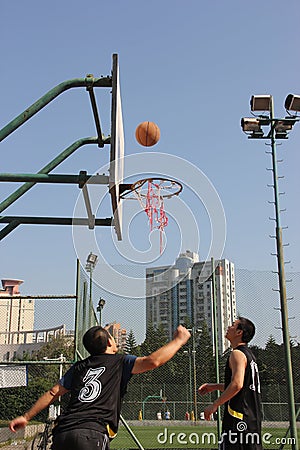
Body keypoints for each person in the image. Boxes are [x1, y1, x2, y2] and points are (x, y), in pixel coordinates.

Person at [9, 324, 190, 450]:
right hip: (92, 433)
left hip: (63, 433)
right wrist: (179, 340)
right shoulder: (121, 362)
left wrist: (26, 416)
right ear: (110, 342)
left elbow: (53, 392)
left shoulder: (79, 367)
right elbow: (153, 361)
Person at [198, 317, 262, 450]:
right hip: (251, 419)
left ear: (239, 332)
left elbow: (237, 384)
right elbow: (243, 386)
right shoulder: (250, 356)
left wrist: (214, 405)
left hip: (238, 417)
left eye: (233, 325)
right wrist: (214, 386)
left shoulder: (237, 354)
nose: (229, 327)